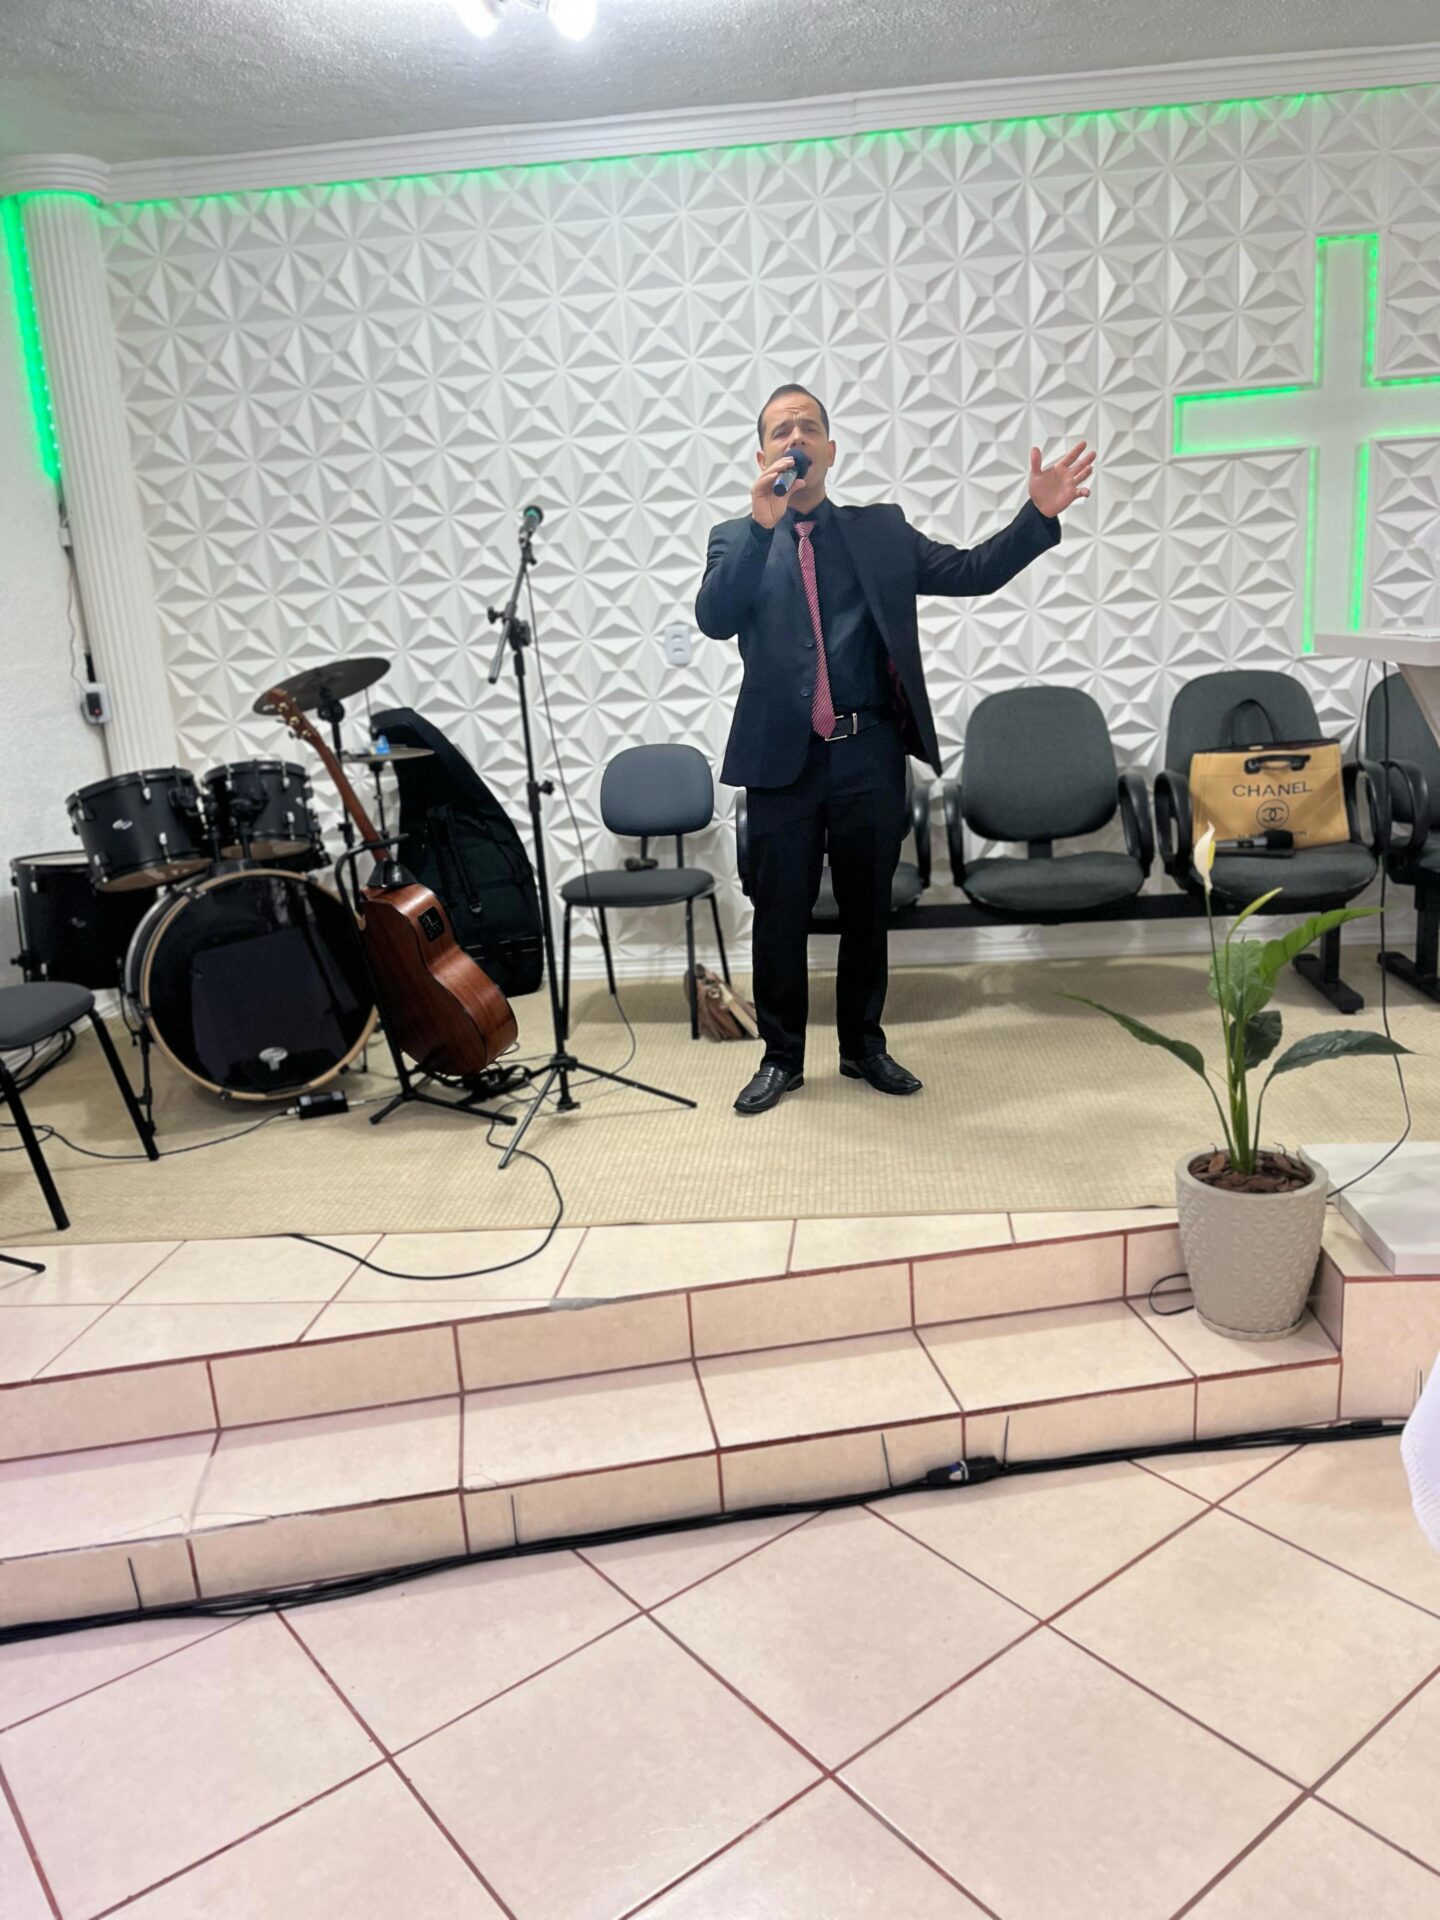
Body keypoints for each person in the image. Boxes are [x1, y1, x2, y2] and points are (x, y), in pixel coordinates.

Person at [697, 383, 1094, 1115]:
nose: (795, 438)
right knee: (779, 916)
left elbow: (972, 571)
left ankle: (863, 1046)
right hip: (781, 762)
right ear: (762, 455)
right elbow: (715, 618)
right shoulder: (736, 538)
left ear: (830, 450)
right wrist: (760, 526)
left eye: (808, 427)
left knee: (866, 912)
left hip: (867, 753)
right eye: (781, 429)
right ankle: (781, 1056)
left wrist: (1036, 515)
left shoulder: (880, 530)